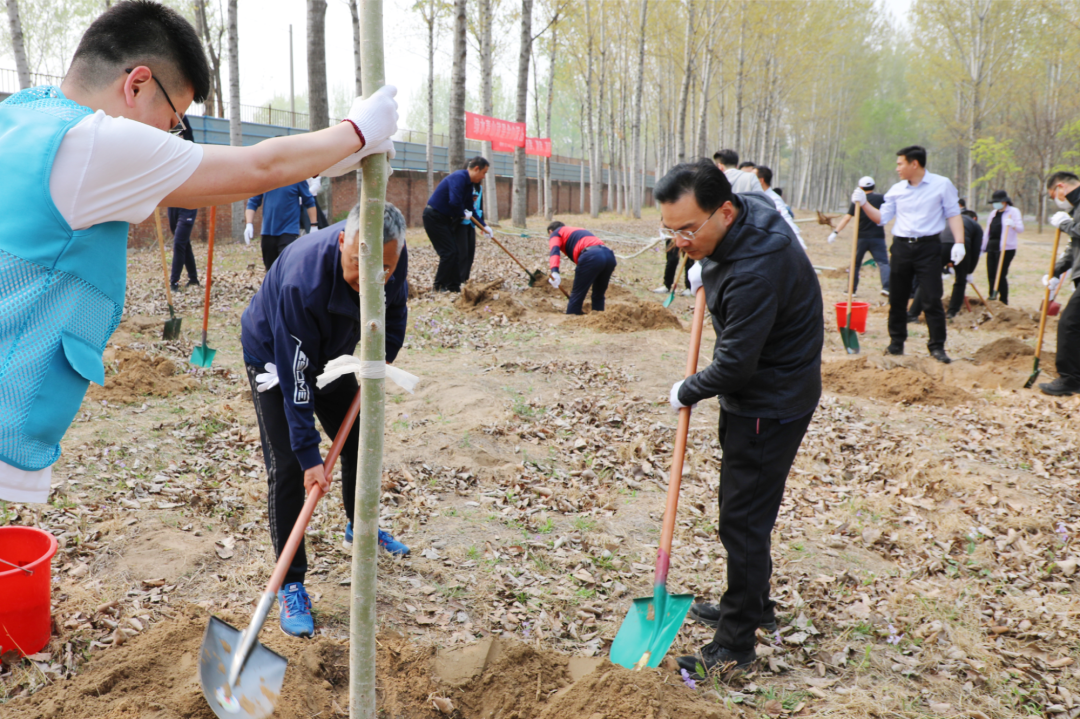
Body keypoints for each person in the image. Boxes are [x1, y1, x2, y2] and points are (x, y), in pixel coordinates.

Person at [0, 0, 399, 505]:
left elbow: (231, 180)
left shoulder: (23, 113)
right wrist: (356, 131)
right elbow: (258, 168)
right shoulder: (91, 143)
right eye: (172, 121)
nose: (170, 136)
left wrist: (337, 153)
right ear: (136, 84)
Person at [656, 160, 822, 678]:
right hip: (764, 391)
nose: (679, 241)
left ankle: (735, 645)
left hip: (768, 403)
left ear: (725, 212)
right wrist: (707, 265)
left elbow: (733, 366)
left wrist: (687, 389)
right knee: (743, 511)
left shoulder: (755, 271)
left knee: (743, 521)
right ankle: (755, 606)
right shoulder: (747, 212)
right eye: (670, 230)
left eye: (688, 230)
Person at [241, 202, 411, 637]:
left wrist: (381, 359)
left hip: (331, 353)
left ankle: (360, 526)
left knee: (358, 439)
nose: (371, 276)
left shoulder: (390, 253)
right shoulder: (302, 280)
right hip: (276, 356)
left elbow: (395, 309)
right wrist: (308, 453)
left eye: (385, 268)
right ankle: (290, 583)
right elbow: (296, 375)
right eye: (357, 264)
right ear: (341, 242)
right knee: (288, 468)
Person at [852, 146, 965, 364]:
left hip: (928, 247)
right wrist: (864, 203)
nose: (897, 168)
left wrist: (959, 243)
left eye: (900, 163)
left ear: (914, 164)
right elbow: (881, 218)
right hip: (901, 247)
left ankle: (937, 347)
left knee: (932, 298)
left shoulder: (941, 185)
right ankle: (896, 343)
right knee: (897, 298)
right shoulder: (896, 190)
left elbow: (953, 214)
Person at [424, 156, 493, 292]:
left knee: (455, 252)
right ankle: (439, 286)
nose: (484, 177)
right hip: (434, 217)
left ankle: (454, 286)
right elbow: (455, 201)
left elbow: (471, 209)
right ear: (476, 169)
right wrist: (462, 213)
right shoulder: (459, 177)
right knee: (448, 252)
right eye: (484, 173)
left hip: (445, 218)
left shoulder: (468, 184)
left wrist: (484, 227)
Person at [1039, 172, 1080, 396]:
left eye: (1053, 194)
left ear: (1061, 187)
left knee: (1069, 323)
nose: (1055, 199)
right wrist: (1054, 272)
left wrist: (1066, 225)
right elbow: (1074, 248)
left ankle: (1070, 379)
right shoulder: (1076, 209)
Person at [828, 176, 889, 297]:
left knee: (855, 264)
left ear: (860, 187)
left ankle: (851, 290)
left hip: (861, 237)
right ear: (873, 186)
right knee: (883, 263)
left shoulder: (858, 201)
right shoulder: (881, 198)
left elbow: (847, 218)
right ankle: (887, 288)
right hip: (878, 237)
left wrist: (835, 232)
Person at [547, 221, 617, 315]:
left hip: (591, 256)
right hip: (609, 256)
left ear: (550, 231)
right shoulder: (576, 230)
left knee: (577, 295)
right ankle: (599, 319)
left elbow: (554, 251)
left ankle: (571, 319)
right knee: (598, 295)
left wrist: (554, 271)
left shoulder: (555, 233)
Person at [245, 181, 318, 270]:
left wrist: (314, 226)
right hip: (268, 231)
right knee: (271, 269)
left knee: (286, 267)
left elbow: (309, 202)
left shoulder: (297, 178)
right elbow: (252, 202)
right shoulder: (264, 179)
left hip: (289, 231)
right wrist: (249, 224)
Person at [167, 116, 199, 291]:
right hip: (173, 204)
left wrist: (180, 114)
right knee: (183, 242)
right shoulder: (169, 154)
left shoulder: (189, 151)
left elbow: (188, 132)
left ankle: (174, 282)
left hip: (188, 205)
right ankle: (193, 278)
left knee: (179, 242)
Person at [981, 189, 1024, 304]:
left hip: (1006, 248)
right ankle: (992, 296)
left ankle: (1003, 300)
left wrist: (1013, 225)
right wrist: (983, 246)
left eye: (997, 202)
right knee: (991, 273)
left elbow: (1021, 229)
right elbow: (988, 231)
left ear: (1004, 202)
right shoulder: (993, 213)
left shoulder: (1013, 212)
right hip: (992, 247)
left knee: (1000, 274)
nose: (995, 204)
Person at [755, 165, 806, 250]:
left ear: (761, 180)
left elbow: (786, 219)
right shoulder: (759, 196)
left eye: (752, 177)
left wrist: (798, 241)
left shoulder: (773, 199)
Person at [457, 170, 485, 286]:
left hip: (472, 223)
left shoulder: (479, 188)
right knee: (462, 253)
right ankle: (458, 280)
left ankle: (465, 279)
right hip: (461, 223)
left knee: (470, 253)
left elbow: (480, 206)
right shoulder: (463, 186)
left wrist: (483, 226)